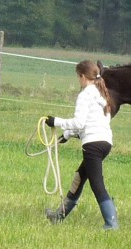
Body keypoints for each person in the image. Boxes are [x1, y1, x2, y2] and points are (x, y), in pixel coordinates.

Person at [44, 60, 119, 230]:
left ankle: (111, 223)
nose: (78, 80)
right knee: (79, 177)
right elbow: (90, 122)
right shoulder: (102, 94)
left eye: (78, 77)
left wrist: (56, 121)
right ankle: (59, 215)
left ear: (83, 77)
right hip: (104, 142)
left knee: (97, 184)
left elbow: (79, 122)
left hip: (92, 144)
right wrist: (67, 135)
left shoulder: (85, 94)